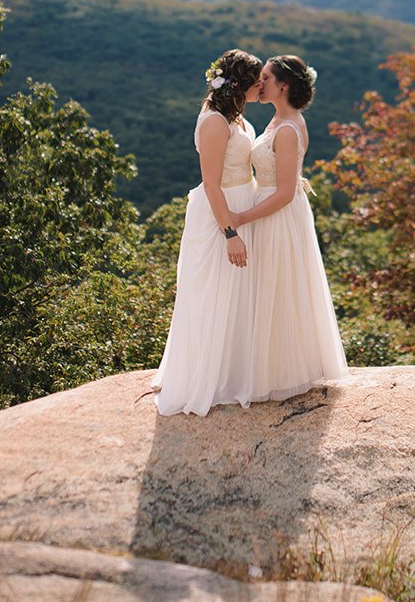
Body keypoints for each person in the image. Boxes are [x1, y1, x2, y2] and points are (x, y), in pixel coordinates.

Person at [149, 49, 265, 416]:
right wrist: (229, 232)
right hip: (220, 213)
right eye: (257, 79)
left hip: (242, 205)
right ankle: (208, 378)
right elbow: (212, 185)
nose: (263, 85)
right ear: (240, 84)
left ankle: (233, 371)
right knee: (214, 292)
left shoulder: (237, 117)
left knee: (238, 294)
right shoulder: (214, 122)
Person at [229, 54, 349, 401]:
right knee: (269, 290)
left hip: (277, 216)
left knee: (277, 290)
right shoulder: (279, 120)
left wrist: (238, 219)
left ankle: (278, 375)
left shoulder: (287, 129)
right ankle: (264, 368)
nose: (259, 82)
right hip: (270, 211)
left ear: (283, 86)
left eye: (265, 77)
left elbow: (282, 194)